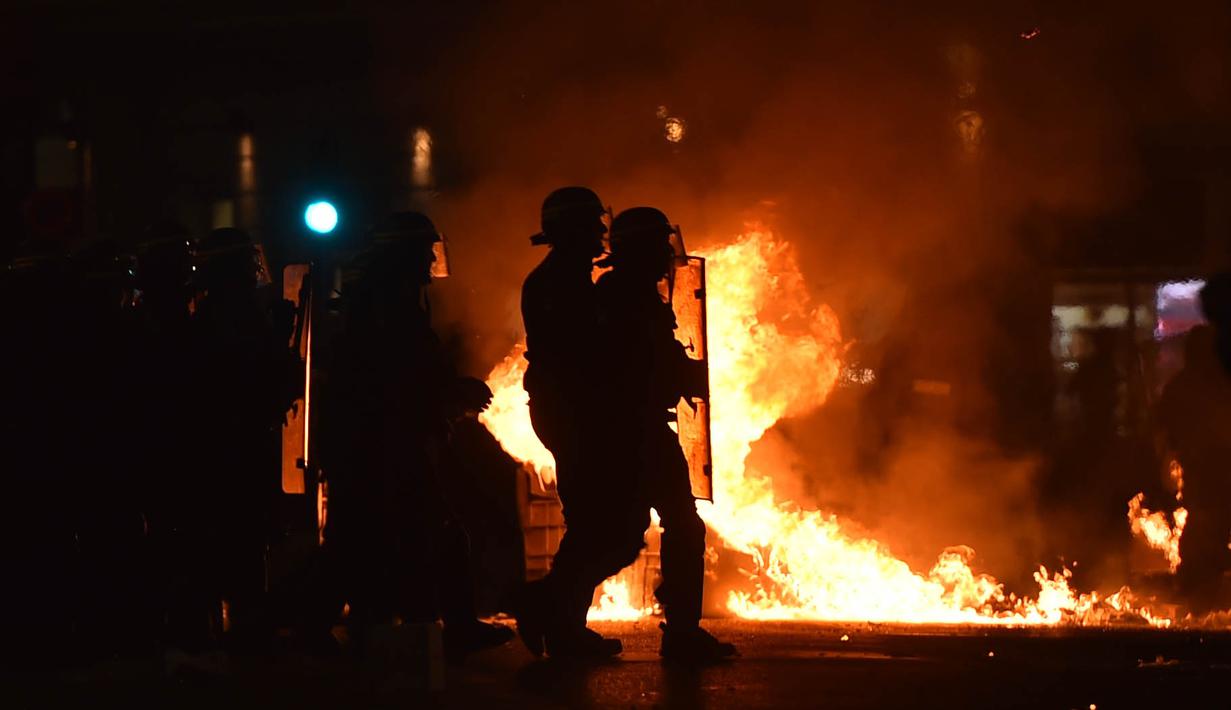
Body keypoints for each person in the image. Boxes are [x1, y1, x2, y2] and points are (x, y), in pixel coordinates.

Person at [318, 212, 511, 663]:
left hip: (381, 440)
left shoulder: (385, 299)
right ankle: (439, 628)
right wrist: (452, 392)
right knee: (408, 534)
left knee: (373, 537)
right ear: (402, 255)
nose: (430, 260)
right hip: (381, 443)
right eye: (424, 251)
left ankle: (361, 624)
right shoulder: (387, 306)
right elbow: (397, 378)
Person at [595, 207, 735, 662]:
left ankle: (681, 631)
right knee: (628, 534)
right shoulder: (622, 299)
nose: (666, 255)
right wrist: (679, 374)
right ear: (641, 250)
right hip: (631, 430)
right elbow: (636, 364)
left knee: (671, 524)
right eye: (659, 245)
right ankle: (549, 605)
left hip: (641, 427)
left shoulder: (633, 294)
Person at [515, 187, 629, 659]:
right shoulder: (557, 285)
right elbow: (584, 355)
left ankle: (557, 618)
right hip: (574, 413)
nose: (601, 232)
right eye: (592, 225)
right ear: (572, 231)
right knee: (603, 526)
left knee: (602, 526)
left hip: (577, 412)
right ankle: (555, 617)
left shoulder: (571, 280)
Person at [192, 227, 301, 653]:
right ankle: (247, 631)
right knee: (242, 536)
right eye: (246, 263)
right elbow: (255, 379)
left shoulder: (221, 316)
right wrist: (279, 337)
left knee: (246, 537)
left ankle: (244, 626)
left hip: (236, 443)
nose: (255, 270)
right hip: (234, 447)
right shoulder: (228, 321)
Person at [1158, 324, 1231, 614]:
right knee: (1205, 531)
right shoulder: (1198, 386)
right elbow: (1167, 428)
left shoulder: (1196, 386)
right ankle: (1199, 601)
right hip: (1203, 473)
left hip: (1211, 472)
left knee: (1207, 531)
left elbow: (1165, 427)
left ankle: (1201, 598)